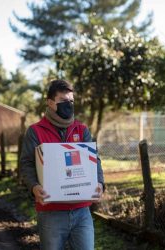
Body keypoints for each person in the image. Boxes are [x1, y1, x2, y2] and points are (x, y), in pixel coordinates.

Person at [20, 79, 105, 250]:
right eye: (63, 101)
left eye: (71, 101)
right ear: (50, 103)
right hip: (51, 212)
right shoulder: (35, 131)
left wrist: (100, 183)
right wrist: (34, 187)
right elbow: (27, 164)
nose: (69, 105)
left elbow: (94, 160)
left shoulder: (81, 130)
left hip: (82, 212)